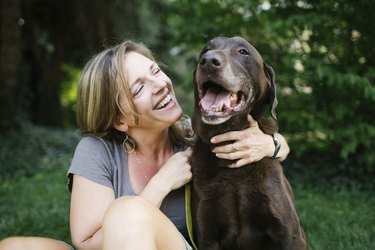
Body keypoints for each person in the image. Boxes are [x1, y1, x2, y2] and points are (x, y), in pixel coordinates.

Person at [0, 40, 290, 250]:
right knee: (13, 247)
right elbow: (87, 244)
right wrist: (161, 184)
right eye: (139, 87)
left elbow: (263, 145)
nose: (160, 84)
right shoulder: (97, 151)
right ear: (119, 120)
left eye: (155, 71)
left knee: (127, 211)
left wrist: (273, 144)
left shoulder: (196, 142)